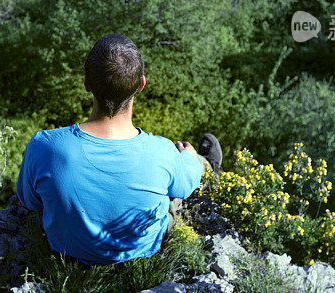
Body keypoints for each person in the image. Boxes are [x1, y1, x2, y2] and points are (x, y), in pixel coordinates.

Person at [15, 33, 223, 265]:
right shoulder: (163, 151)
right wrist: (188, 157)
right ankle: (207, 165)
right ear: (141, 84)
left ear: (86, 83)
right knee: (179, 178)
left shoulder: (44, 146)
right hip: (142, 249)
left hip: (67, 250)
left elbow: (29, 201)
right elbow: (184, 188)